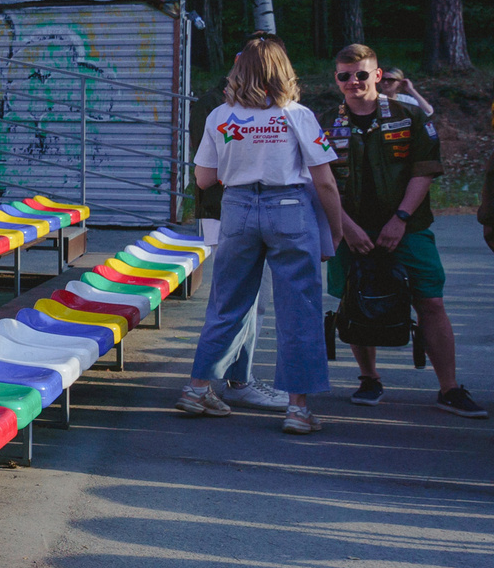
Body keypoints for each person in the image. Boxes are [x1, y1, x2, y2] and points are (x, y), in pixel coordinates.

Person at [180, 39, 352, 433]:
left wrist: (242, 170)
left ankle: (198, 388)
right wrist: (336, 228)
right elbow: (325, 181)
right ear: (283, 71)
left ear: (238, 71)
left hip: (237, 207)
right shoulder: (297, 115)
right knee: (299, 309)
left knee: (227, 303)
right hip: (289, 207)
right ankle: (298, 409)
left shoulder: (220, 115)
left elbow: (203, 178)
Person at [326, 44, 481, 416]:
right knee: (354, 300)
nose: (353, 81)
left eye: (361, 74)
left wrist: (400, 219)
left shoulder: (410, 115)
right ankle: (369, 378)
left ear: (378, 75)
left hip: (408, 227)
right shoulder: (324, 123)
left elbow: (424, 170)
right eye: (344, 75)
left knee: (431, 301)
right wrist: (346, 227)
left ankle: (449, 388)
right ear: (337, 78)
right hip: (350, 229)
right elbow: (319, 181)